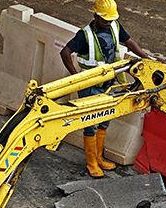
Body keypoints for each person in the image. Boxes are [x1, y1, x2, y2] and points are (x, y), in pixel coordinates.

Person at [60, 0, 148, 178]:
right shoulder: (85, 35)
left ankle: (99, 158)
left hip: (109, 83)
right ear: (95, 16)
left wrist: (146, 58)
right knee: (90, 124)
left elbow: (129, 41)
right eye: (105, 20)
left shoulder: (115, 26)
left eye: (110, 20)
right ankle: (91, 163)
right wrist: (75, 77)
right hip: (90, 87)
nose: (108, 23)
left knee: (104, 121)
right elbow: (65, 52)